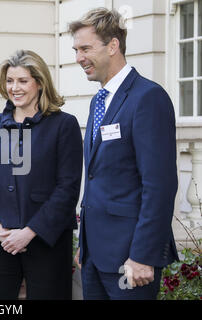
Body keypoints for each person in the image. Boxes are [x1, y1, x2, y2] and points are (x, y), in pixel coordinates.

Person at [69, 8, 179, 300]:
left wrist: (143, 255)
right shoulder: (98, 101)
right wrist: (84, 244)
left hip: (131, 258)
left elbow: (160, 186)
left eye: (85, 48)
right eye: (76, 50)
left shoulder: (148, 98)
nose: (78, 57)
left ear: (113, 45)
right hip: (95, 256)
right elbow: (97, 176)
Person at [0, 50, 83, 299]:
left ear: (40, 83)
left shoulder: (64, 125)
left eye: (22, 81)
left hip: (47, 241)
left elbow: (68, 188)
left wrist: (30, 232)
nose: (14, 88)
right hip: (2, 240)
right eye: (10, 81)